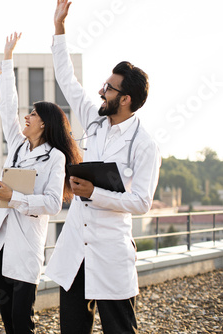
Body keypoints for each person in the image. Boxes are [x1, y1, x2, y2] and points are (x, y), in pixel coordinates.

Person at [45, 1, 162, 333]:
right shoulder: (94, 120)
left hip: (111, 253)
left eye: (109, 88)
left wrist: (95, 193)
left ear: (125, 99)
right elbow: (66, 78)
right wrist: (59, 27)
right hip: (76, 251)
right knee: (72, 328)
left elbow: (141, 202)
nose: (101, 90)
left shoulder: (145, 144)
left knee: (120, 330)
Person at [0, 32, 81, 334]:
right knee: (7, 318)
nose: (26, 117)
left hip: (25, 244)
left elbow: (53, 204)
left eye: (32, 114)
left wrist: (14, 196)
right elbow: (7, 107)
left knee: (22, 320)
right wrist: (7, 61)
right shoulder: (18, 145)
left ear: (44, 122)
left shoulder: (55, 158)